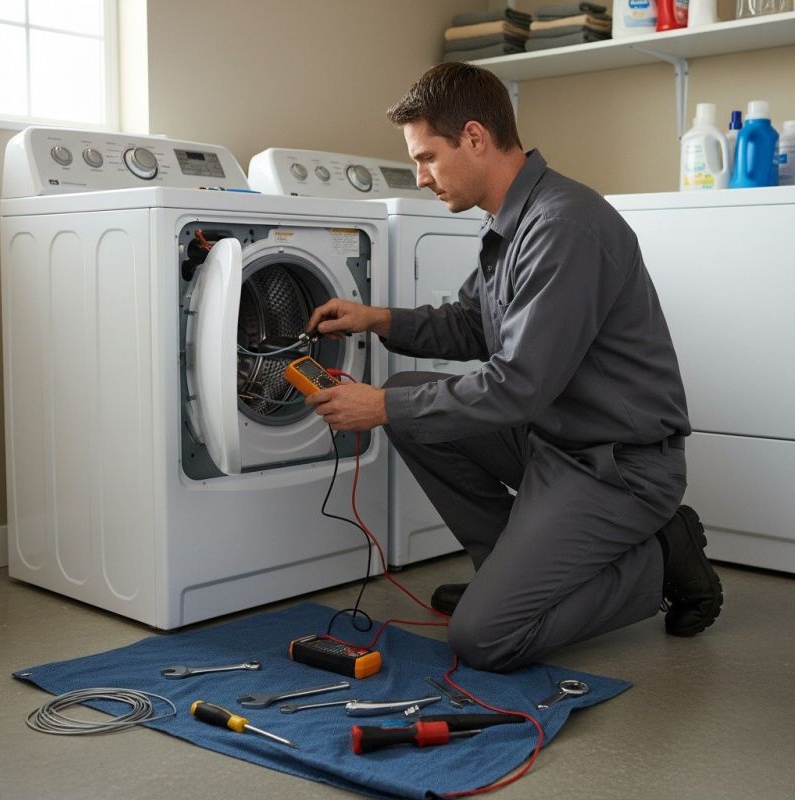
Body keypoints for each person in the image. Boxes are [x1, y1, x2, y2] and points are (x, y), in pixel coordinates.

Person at [304, 62, 723, 672]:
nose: (420, 178)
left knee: (483, 640)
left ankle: (662, 556)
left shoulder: (562, 226)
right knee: (407, 395)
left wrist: (378, 408)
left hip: (616, 465)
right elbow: (472, 325)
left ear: (474, 137)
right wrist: (377, 319)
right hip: (554, 439)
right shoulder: (513, 222)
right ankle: (505, 571)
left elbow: (517, 386)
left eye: (427, 158)